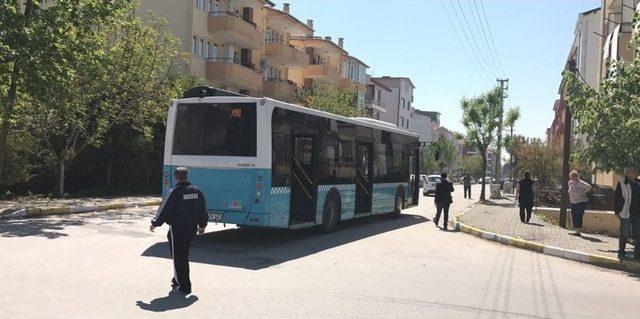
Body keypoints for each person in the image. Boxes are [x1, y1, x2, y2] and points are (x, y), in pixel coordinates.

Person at [150, 167, 208, 294]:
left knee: (179, 258)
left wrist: (155, 223)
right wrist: (202, 225)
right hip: (191, 229)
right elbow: (202, 210)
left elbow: (164, 209)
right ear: (187, 176)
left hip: (178, 230)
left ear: (176, 177)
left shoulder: (175, 191)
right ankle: (178, 280)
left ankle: (183, 285)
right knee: (183, 256)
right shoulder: (197, 191)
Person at [614, 167, 640, 261]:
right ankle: (621, 252)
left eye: (633, 171)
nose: (631, 173)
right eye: (629, 172)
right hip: (625, 212)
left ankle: (637, 255)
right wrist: (617, 211)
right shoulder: (622, 183)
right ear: (626, 173)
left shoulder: (638, 183)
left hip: (637, 213)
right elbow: (617, 197)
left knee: (638, 234)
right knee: (624, 233)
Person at [568, 170, 591, 236]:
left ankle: (578, 231)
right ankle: (575, 230)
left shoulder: (580, 182)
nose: (573, 177)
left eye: (574, 176)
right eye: (571, 176)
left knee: (578, 215)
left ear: (577, 176)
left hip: (581, 201)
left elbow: (589, 187)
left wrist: (582, 192)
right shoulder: (570, 182)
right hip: (573, 201)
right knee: (574, 215)